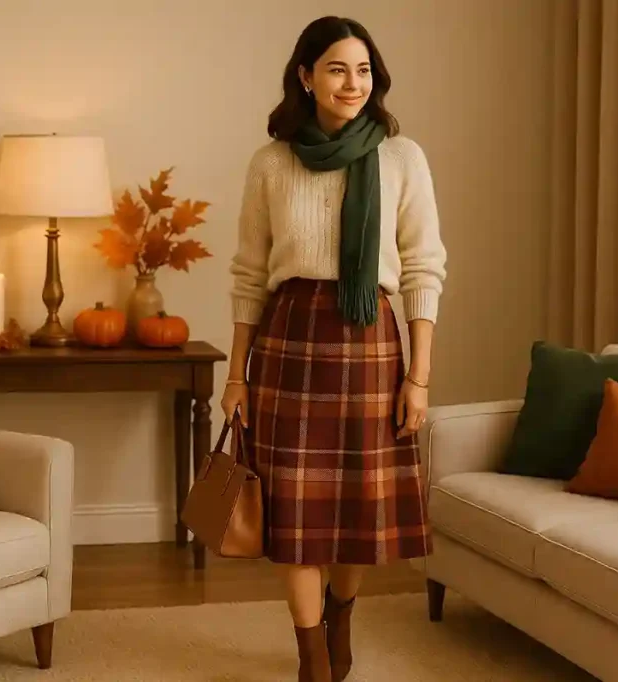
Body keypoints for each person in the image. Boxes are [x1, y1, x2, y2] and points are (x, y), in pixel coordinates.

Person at [222, 15, 447, 682]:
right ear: (305, 76)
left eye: (364, 70)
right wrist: (236, 377)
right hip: (291, 340)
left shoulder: (403, 158)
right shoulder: (272, 162)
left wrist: (420, 377)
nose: (353, 83)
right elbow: (247, 276)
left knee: (357, 509)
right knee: (294, 509)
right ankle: (312, 655)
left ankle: (342, 612)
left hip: (372, 341)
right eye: (337, 69)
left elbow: (421, 269)